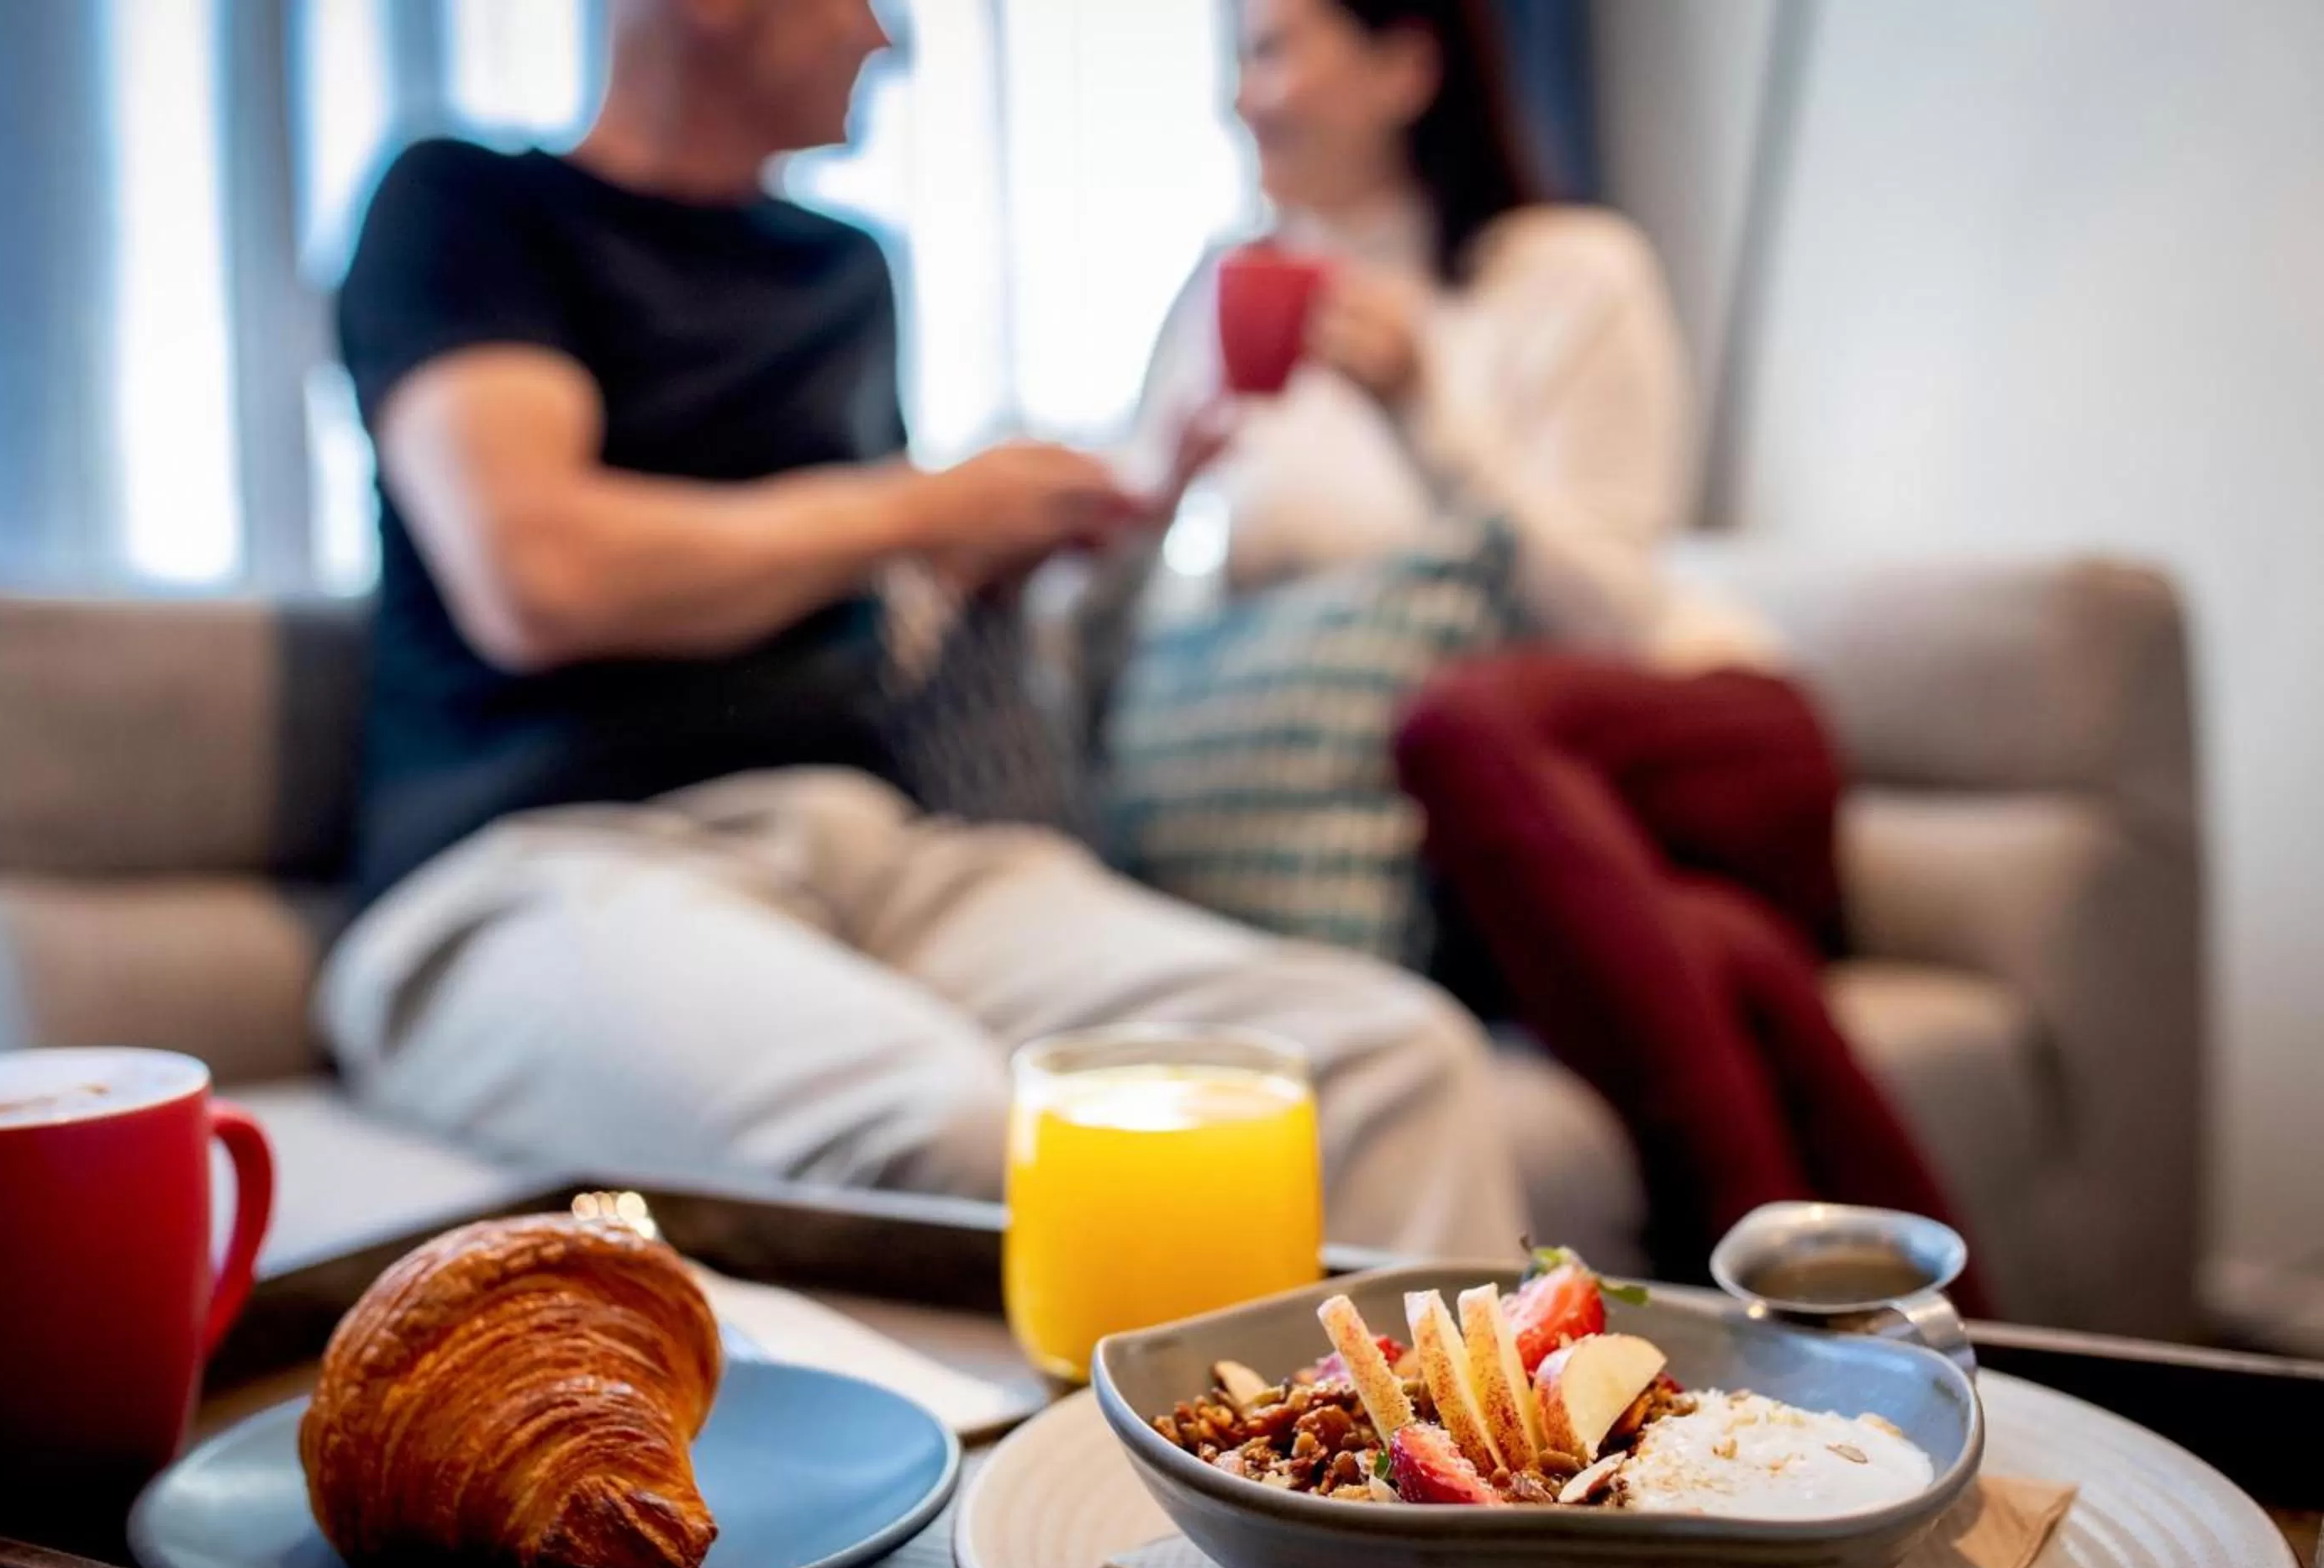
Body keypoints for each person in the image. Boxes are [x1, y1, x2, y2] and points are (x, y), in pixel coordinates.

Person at [313, 0, 1525, 1257]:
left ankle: (1461, 1456)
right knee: (951, 1132)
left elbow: (859, 578)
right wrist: (918, 504)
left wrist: (1056, 521)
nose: (889, 43)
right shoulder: (463, 204)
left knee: (1393, 1062)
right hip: (536, 866)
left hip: (872, 854)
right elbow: (537, 577)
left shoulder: (842, 269)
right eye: (867, 2)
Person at [1125, 0, 1974, 1281]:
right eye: (1239, 57)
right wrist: (1151, 501)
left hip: (1687, 740)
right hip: (1492, 844)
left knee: (1457, 720)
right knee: (1717, 952)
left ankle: (1756, 1301)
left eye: (1276, 49)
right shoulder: (1215, 301)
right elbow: (1182, 613)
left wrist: (1429, 410)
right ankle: (1982, 1354)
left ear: (1409, 65)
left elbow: (1618, 607)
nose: (1245, 96)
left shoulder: (1569, 271)